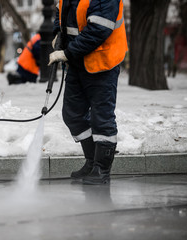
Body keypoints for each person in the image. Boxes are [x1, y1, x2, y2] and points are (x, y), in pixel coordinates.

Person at [48, 0, 128, 184]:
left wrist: (67, 53)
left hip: (102, 62)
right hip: (78, 62)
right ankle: (91, 162)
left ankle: (101, 169)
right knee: (72, 114)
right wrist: (58, 33)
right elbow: (61, 13)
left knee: (101, 117)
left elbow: (98, 30)